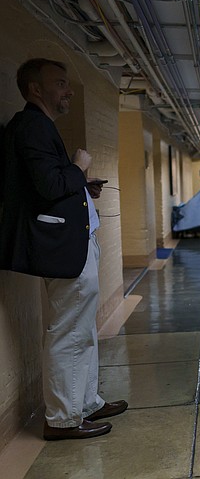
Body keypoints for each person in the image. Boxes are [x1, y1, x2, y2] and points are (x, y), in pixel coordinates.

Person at [0, 58, 127, 440]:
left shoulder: (40, 127)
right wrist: (77, 166)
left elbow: (47, 186)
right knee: (67, 332)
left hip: (73, 242)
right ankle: (63, 419)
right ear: (36, 89)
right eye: (59, 83)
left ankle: (85, 403)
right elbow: (50, 186)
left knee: (82, 329)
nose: (68, 90)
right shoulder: (32, 127)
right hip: (61, 247)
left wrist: (81, 187)